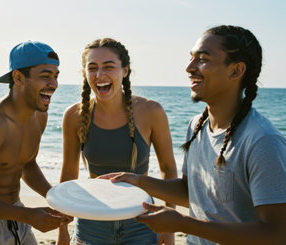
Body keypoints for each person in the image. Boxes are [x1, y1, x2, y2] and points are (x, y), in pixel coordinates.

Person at [101, 25, 286, 244]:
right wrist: (139, 181)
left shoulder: (262, 141)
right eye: (191, 58)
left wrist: (183, 224)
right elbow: (190, 192)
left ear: (235, 71)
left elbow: (277, 233)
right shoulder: (197, 125)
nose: (189, 68)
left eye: (203, 59)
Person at [58, 38, 178, 245]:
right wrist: (62, 230)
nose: (100, 75)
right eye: (92, 68)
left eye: (109, 67)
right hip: (91, 218)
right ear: (85, 73)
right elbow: (69, 173)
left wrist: (169, 228)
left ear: (125, 70)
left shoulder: (151, 111)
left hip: (142, 219)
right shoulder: (74, 115)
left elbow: (167, 168)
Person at [0, 40, 69, 245]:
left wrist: (55, 198)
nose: (53, 84)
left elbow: (27, 164)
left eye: (55, 76)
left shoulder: (39, 116)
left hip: (16, 215)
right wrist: (27, 215)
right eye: (45, 76)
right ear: (18, 77)